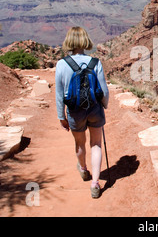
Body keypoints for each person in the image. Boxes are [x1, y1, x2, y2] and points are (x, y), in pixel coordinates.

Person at [55, 26, 109, 198]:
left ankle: (84, 169)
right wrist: (104, 106)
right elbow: (104, 91)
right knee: (96, 144)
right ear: (86, 41)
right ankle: (95, 183)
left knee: (80, 143)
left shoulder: (62, 64)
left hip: (74, 110)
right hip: (94, 109)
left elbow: (59, 93)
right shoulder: (95, 62)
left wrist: (61, 116)